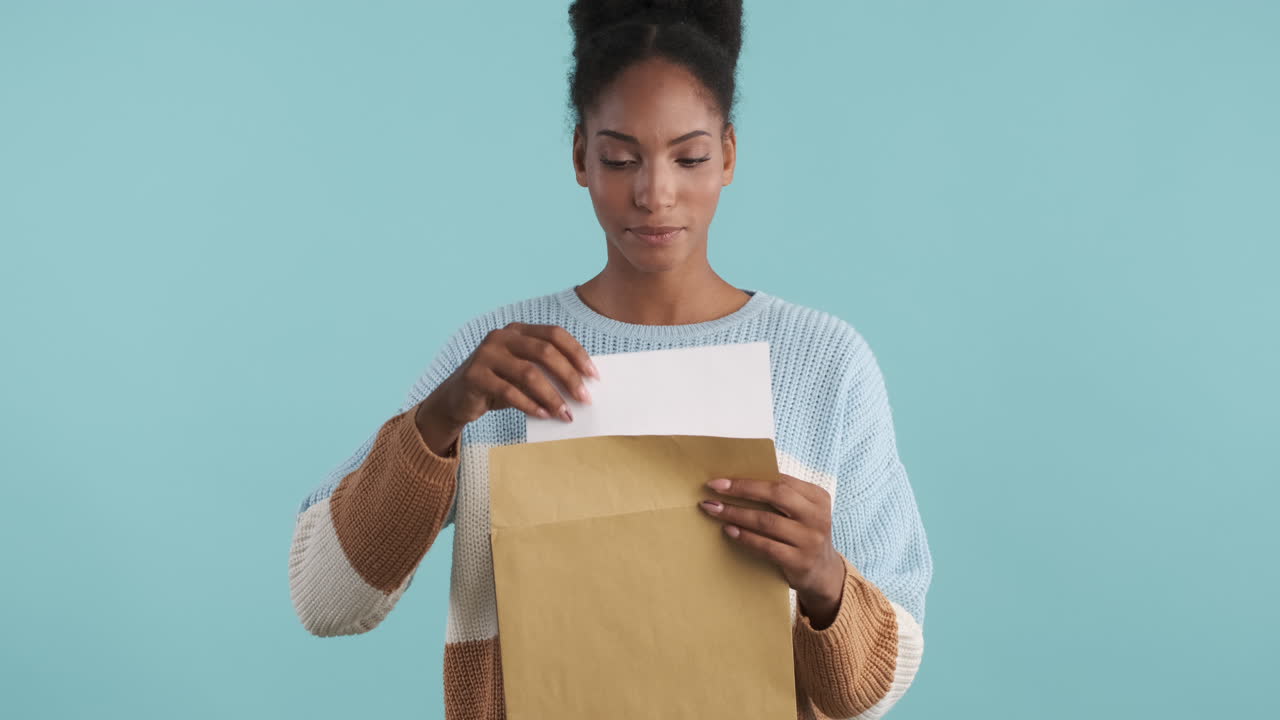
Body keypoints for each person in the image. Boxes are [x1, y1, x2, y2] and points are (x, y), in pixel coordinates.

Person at [288, 1, 932, 718]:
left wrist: (824, 581)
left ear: (728, 155)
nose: (655, 194)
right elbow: (325, 599)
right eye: (621, 159)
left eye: (688, 158)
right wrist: (442, 415)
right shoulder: (499, 362)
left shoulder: (824, 364)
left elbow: (875, 692)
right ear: (579, 159)